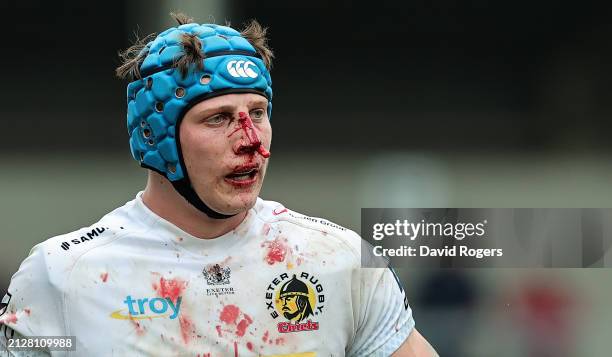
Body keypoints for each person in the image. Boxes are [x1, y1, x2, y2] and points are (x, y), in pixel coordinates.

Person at [0, 13, 437, 356]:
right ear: (156, 137)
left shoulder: (339, 260)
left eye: (259, 113)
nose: (251, 141)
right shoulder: (61, 276)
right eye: (219, 118)